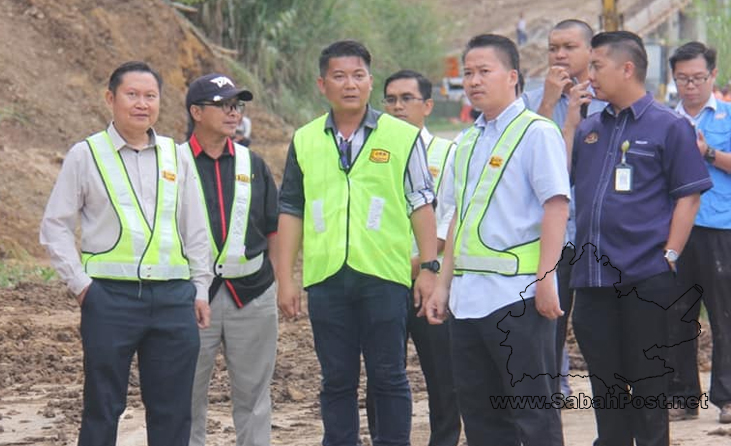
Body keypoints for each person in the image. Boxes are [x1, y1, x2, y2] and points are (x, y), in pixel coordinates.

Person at [39, 61, 213, 446]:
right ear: (110, 98)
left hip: (173, 300)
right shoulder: (85, 155)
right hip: (109, 299)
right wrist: (83, 286)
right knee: (102, 406)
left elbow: (196, 228)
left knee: (172, 411)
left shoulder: (176, 155)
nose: (142, 104)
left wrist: (200, 288)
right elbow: (55, 225)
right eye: (132, 94)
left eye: (150, 96)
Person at [277, 40, 438, 446]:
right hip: (327, 278)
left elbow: (421, 202)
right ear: (322, 84)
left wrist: (431, 269)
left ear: (370, 81)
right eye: (339, 76)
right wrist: (286, 279)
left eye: (358, 75)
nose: (350, 84)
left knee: (389, 376)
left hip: (384, 275)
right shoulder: (305, 139)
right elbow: (292, 209)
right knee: (336, 380)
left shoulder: (402, 136)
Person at [568, 32, 712, 446]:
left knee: (648, 384)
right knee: (605, 384)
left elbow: (688, 196)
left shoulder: (669, 126)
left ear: (627, 68)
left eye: (597, 65)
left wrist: (670, 254)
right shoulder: (590, 128)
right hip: (592, 278)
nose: (589, 74)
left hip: (644, 277)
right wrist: (569, 121)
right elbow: (563, 182)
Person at [426, 33, 570, 446]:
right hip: (468, 300)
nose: (473, 81)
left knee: (533, 413)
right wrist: (442, 282)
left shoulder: (537, 133)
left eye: (483, 71)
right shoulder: (467, 141)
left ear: (512, 77)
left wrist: (546, 281)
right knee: (481, 414)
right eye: (468, 73)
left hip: (517, 297)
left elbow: (556, 207)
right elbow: (458, 218)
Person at [181, 73, 279, 445]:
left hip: (252, 294)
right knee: (186, 394)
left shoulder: (252, 164)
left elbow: (272, 227)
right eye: (222, 105)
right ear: (196, 112)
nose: (232, 112)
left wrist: (281, 284)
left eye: (236, 105)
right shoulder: (171, 164)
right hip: (191, 298)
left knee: (254, 396)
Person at [374, 69, 461, 446]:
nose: (397, 107)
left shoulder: (448, 152)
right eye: (390, 99)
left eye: (407, 99)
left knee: (442, 375)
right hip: (382, 281)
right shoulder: (374, 155)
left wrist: (421, 265)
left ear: (427, 105)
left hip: (430, 283)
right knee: (383, 373)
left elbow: (450, 218)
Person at [522, 18, 606, 397]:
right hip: (555, 234)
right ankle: (549, 394)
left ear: (590, 51)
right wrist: (549, 102)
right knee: (548, 321)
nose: (559, 54)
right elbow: (528, 157)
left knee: (600, 324)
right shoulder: (532, 101)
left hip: (600, 233)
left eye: (569, 47)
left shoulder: (611, 100)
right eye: (553, 47)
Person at [667, 41, 731, 424]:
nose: (690, 86)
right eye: (682, 79)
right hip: (675, 230)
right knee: (675, 315)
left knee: (724, 314)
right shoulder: (663, 120)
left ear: (713, 76)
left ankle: (726, 397)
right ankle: (682, 395)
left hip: (720, 228)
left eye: (697, 78)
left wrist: (708, 153)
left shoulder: (727, 116)